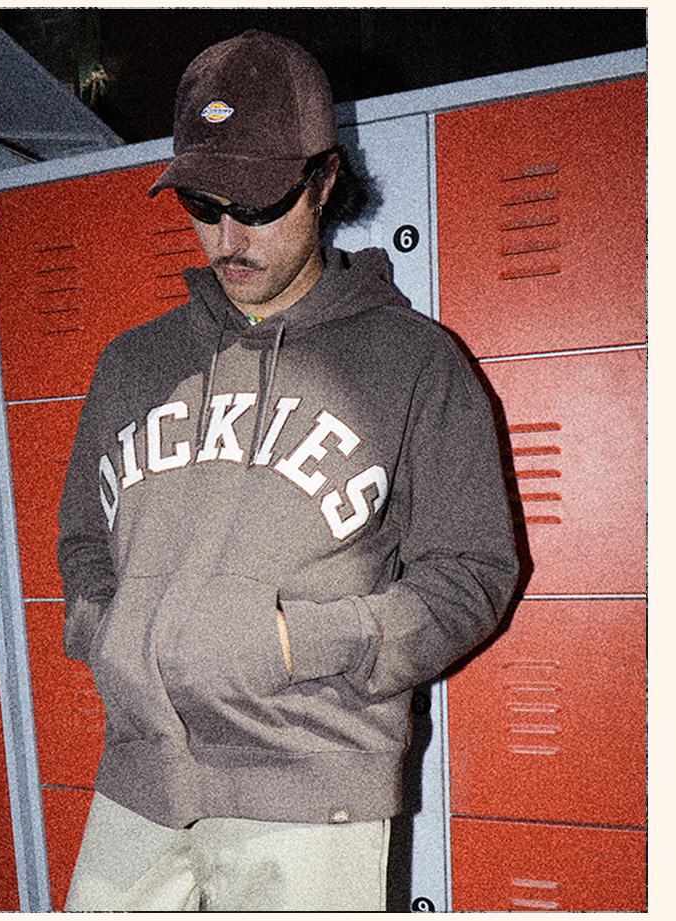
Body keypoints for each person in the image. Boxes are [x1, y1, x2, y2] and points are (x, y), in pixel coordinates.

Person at [57, 29, 519, 912]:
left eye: (259, 202)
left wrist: (295, 643)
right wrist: (110, 632)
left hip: (313, 791)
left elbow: (472, 575)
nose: (228, 236)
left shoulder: (415, 364)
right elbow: (83, 539)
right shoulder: (131, 365)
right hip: (139, 780)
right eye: (201, 202)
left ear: (325, 179)